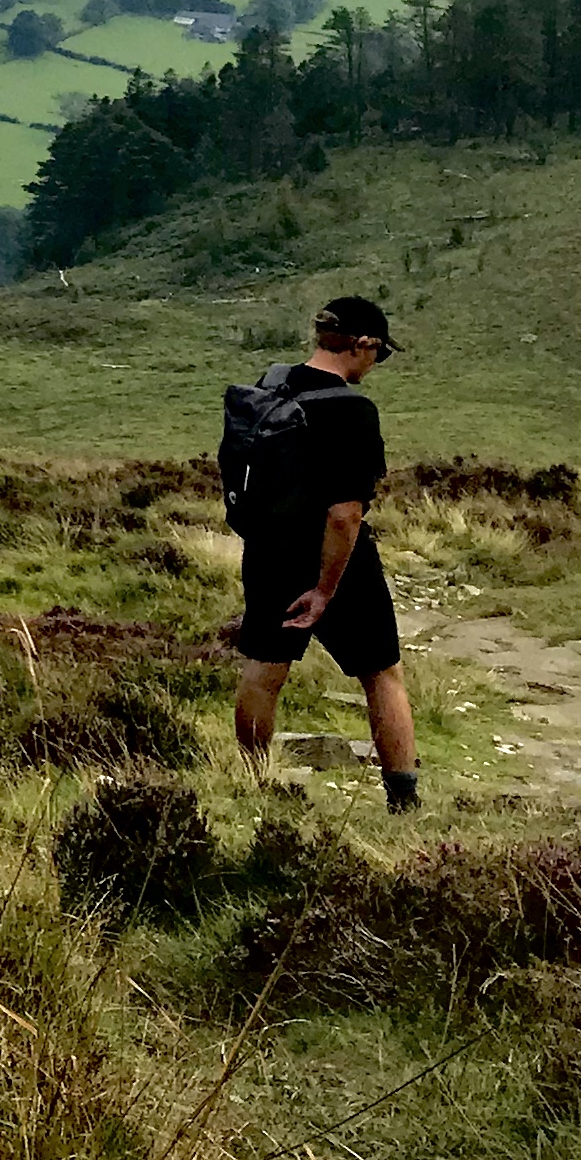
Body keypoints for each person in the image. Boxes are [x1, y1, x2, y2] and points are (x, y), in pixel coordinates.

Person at [224, 294, 420, 812]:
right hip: (334, 562)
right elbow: (344, 515)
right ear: (363, 345)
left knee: (265, 668)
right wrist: (325, 589)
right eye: (381, 353)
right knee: (381, 672)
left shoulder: (270, 388)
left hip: (268, 550)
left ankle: (254, 783)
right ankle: (404, 796)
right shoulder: (352, 410)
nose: (377, 364)